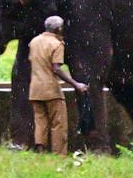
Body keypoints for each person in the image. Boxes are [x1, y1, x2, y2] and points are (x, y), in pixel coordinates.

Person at [27, 15, 88, 155]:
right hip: (51, 90)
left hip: (35, 89)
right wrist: (76, 84)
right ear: (58, 29)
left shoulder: (34, 41)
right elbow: (56, 68)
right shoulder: (56, 44)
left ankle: (40, 151)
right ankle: (58, 155)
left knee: (40, 122)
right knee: (58, 124)